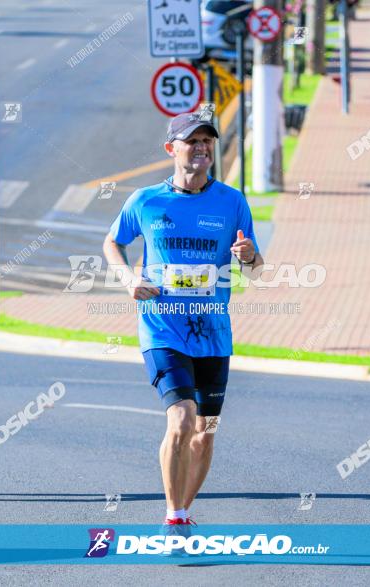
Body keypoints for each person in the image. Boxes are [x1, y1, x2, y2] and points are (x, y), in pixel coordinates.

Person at [103, 112, 264, 538]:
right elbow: (113, 242)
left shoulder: (232, 202)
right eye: (192, 142)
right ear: (171, 149)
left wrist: (247, 256)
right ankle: (174, 517)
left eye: (207, 142)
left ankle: (184, 507)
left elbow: (256, 268)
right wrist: (128, 278)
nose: (202, 149)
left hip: (213, 334)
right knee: (181, 419)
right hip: (162, 328)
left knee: (206, 433)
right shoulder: (145, 201)